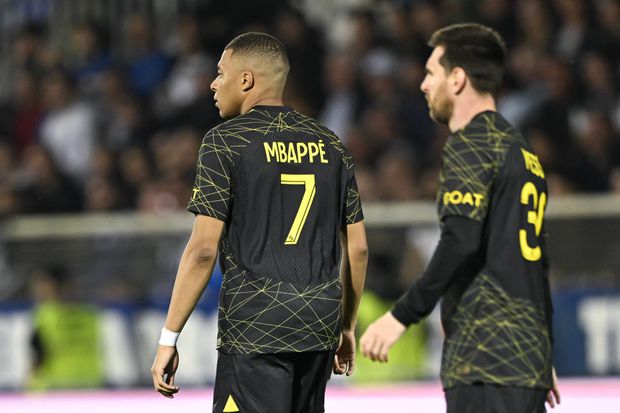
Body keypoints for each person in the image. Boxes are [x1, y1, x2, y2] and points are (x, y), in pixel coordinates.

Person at [151, 32, 368, 413]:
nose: (213, 83)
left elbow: (203, 251)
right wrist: (347, 327)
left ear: (246, 80)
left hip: (256, 326)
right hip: (318, 324)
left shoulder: (225, 142)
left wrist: (169, 338)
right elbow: (359, 248)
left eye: (221, 73)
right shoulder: (331, 143)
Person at [359, 23, 560, 413]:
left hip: (485, 355)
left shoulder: (471, 144)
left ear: (457, 78)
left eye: (431, 72)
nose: (423, 85)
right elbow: (537, 261)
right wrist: (542, 348)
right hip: (524, 358)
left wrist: (401, 315)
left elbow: (460, 240)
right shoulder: (522, 152)